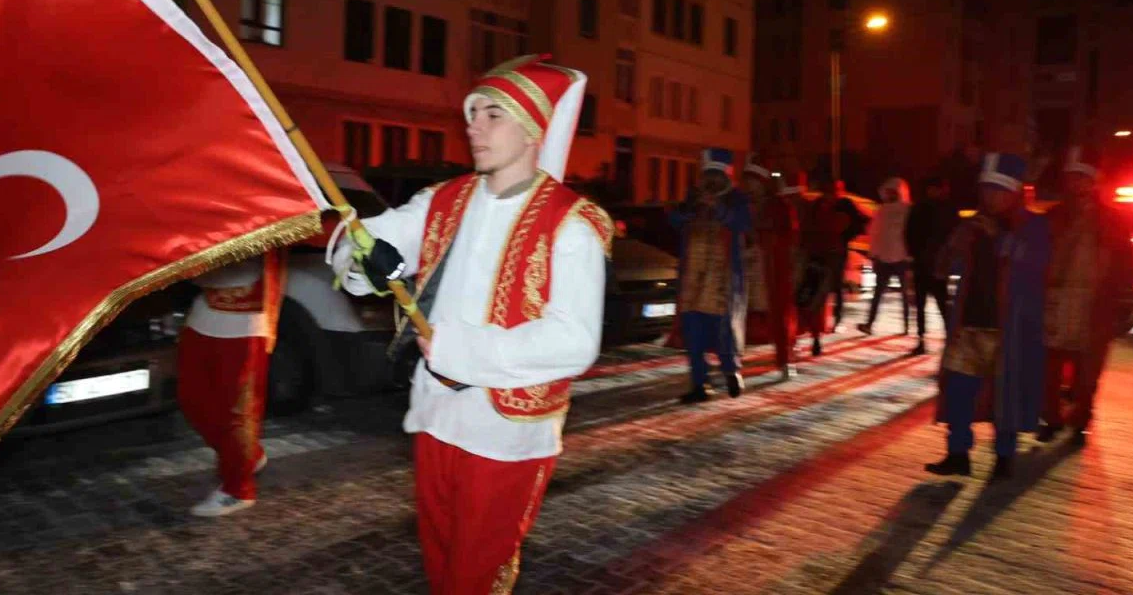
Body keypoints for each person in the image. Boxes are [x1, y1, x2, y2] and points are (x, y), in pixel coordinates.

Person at [333, 54, 610, 594]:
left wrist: (458, 350)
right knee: (440, 563)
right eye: (472, 114)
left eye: (492, 115)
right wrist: (363, 259)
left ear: (532, 129)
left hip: (505, 428)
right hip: (434, 413)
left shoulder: (572, 223)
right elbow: (364, 243)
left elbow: (575, 342)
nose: (474, 127)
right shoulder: (443, 199)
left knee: (474, 576)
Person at [926, 153, 1050, 483]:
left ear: (1014, 193)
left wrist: (999, 239)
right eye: (986, 190)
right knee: (958, 391)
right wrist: (953, 246)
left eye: (998, 191)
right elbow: (944, 269)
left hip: (1010, 326)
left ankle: (1003, 457)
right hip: (969, 321)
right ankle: (957, 454)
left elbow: (1037, 267)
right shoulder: (974, 225)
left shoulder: (1033, 226)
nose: (990, 197)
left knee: (1004, 394)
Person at [1039, 146, 1133, 446]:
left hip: (1094, 308)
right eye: (1072, 177)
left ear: (1093, 181)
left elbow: (1124, 262)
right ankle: (1051, 419)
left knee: (1087, 373)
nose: (1076, 183)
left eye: (1082, 177)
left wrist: (1124, 301)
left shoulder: (1111, 220)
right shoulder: (1053, 217)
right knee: (1050, 371)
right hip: (1055, 305)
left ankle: (1080, 421)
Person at [178, 253, 283, 516]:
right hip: (203, 314)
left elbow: (239, 269)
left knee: (238, 413)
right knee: (191, 399)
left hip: (244, 323)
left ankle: (238, 490)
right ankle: (248, 457)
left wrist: (182, 264)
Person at [672, 148, 752, 402]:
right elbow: (674, 219)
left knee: (724, 331)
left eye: (717, 177)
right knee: (693, 332)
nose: (712, 182)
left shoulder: (736, 199)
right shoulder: (693, 197)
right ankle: (700, 384)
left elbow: (743, 224)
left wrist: (717, 208)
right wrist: (691, 209)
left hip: (722, 278)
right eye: (708, 176)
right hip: (692, 278)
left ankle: (731, 371)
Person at [742, 155, 799, 379]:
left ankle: (786, 359)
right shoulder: (745, 205)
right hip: (753, 266)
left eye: (753, 181)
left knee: (780, 314)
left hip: (776, 266)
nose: (749, 186)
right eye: (747, 181)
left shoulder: (778, 205)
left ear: (762, 182)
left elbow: (791, 237)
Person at [798, 179, 867, 356]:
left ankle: (825, 328)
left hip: (829, 254)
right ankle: (816, 334)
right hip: (823, 255)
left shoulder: (840, 206)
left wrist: (846, 236)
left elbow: (860, 221)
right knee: (819, 293)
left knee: (827, 290)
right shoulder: (821, 206)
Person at [904, 176, 959, 355]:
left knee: (934, 304)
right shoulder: (944, 209)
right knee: (936, 303)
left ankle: (931, 340)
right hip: (931, 263)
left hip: (930, 263)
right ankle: (940, 340)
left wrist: (914, 254)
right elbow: (910, 233)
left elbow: (909, 233)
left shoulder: (925, 208)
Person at [858, 178, 911, 336]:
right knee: (878, 294)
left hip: (901, 257)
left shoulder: (906, 210)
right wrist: (874, 254)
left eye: (892, 192)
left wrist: (910, 255)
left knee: (904, 294)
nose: (889, 195)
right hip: (884, 258)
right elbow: (875, 234)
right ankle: (869, 323)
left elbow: (912, 233)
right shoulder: (882, 211)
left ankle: (906, 326)